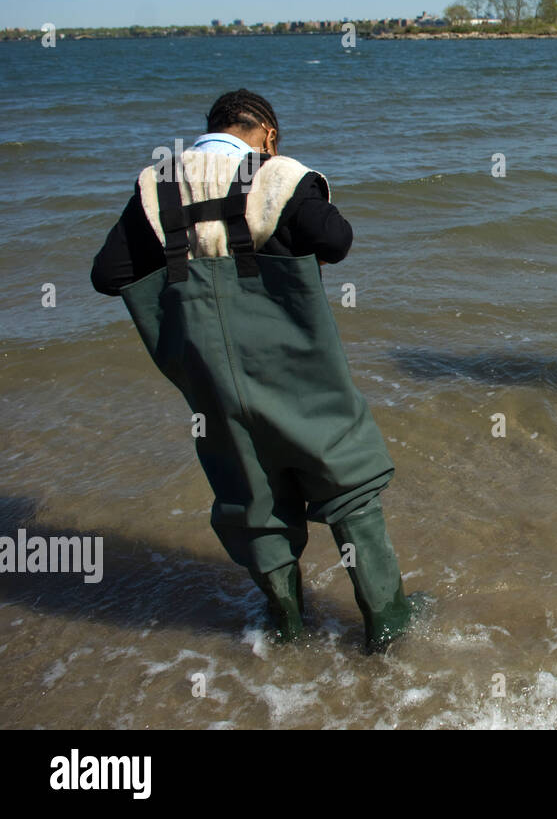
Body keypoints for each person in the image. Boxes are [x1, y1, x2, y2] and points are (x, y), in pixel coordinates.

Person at [91, 90, 425, 652]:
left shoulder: (156, 185)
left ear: (212, 128)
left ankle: (288, 626)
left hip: (210, 377)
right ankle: (385, 623)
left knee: (251, 492)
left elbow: (108, 275)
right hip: (293, 360)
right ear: (267, 134)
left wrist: (188, 255)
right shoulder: (278, 175)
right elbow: (336, 240)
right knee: (346, 475)